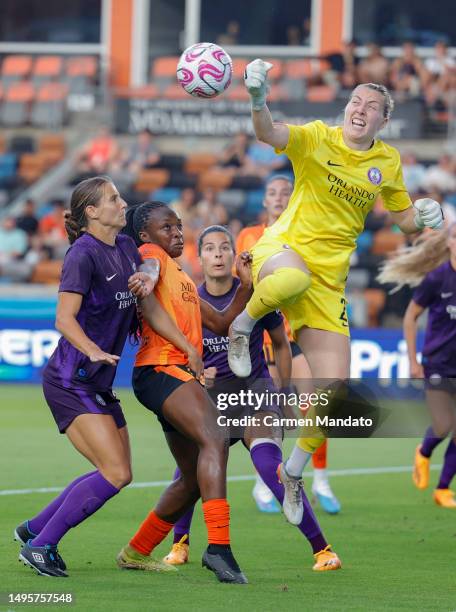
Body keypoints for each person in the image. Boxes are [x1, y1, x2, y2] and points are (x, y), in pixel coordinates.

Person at [228, 58, 444, 525]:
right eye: (355, 101)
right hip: (283, 251)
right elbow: (269, 135)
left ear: (384, 121)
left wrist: (423, 213)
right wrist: (258, 98)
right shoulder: (316, 137)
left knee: (334, 393)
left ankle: (293, 472)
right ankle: (242, 327)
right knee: (293, 278)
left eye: (371, 106)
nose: (359, 109)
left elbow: (404, 222)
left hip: (330, 282)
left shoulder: (386, 161)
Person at [13, 176, 171, 577]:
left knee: (122, 473)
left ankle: (33, 528)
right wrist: (94, 350)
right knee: (114, 473)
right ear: (92, 211)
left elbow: (150, 260)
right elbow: (63, 319)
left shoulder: (122, 245)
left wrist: (149, 272)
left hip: (95, 381)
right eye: (114, 199)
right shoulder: (82, 254)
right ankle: (42, 545)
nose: (123, 204)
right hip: (72, 379)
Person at [162, 225, 341, 571]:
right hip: (212, 399)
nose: (217, 254)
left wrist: (285, 389)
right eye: (210, 248)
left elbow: (281, 344)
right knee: (189, 471)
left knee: (268, 466)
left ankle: (323, 548)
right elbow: (181, 355)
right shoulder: (190, 302)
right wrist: (196, 374)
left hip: (257, 394)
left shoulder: (258, 297)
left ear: (234, 256)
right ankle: (180, 544)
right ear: (199, 258)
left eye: (224, 248)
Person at [117, 202, 252, 584]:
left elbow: (225, 323)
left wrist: (249, 283)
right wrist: (144, 279)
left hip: (173, 375)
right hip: (160, 369)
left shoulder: (185, 280)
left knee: (193, 478)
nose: (177, 233)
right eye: (167, 227)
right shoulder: (151, 256)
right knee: (216, 438)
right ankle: (219, 549)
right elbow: (148, 271)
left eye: (179, 227)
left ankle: (136, 551)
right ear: (146, 235)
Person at [237, 175, 341, 514]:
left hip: (295, 334)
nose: (279, 197)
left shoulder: (304, 234)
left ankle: (321, 480)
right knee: (272, 412)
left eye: (286, 192)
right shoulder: (250, 237)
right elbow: (245, 284)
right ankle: (264, 484)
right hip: (263, 338)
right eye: (272, 192)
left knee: (318, 404)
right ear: (264, 202)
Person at [378, 225, 456, 508]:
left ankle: (443, 489)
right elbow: (410, 317)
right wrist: (413, 360)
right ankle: (423, 452)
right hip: (437, 362)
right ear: (448, 243)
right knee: (444, 424)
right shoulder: (437, 278)